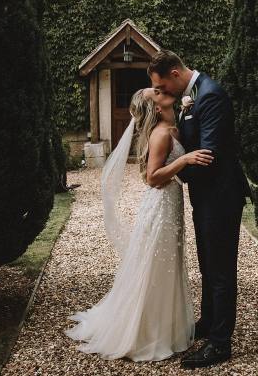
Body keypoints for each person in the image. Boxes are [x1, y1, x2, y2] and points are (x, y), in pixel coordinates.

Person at [64, 86, 213, 361]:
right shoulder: (160, 134)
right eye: (156, 92)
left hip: (171, 204)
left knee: (167, 263)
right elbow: (152, 178)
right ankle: (146, 333)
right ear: (156, 107)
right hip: (160, 207)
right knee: (155, 264)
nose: (163, 90)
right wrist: (184, 159)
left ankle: (167, 327)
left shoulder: (173, 124)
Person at [148, 49, 253, 369]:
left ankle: (220, 344)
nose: (162, 93)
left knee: (221, 270)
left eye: (163, 87)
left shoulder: (211, 96)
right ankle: (209, 323)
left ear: (176, 75)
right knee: (208, 264)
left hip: (220, 196)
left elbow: (208, 156)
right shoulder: (191, 97)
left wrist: (176, 169)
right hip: (204, 197)